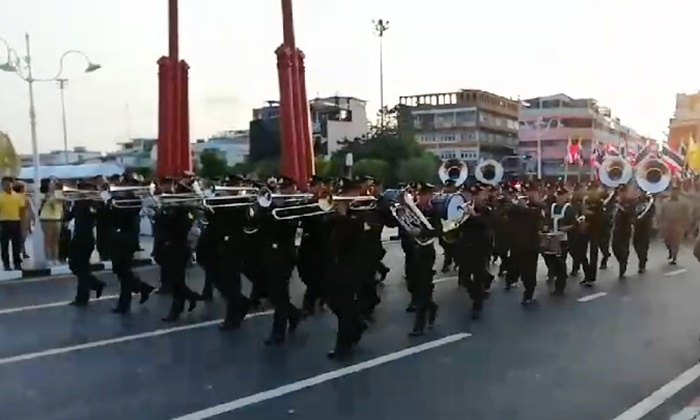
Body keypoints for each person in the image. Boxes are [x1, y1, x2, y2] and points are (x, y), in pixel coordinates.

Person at [38, 178, 65, 265]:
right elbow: (41, 203)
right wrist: (48, 196)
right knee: (48, 240)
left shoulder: (59, 194)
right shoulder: (43, 195)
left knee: (56, 241)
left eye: (54, 183)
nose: (53, 185)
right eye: (51, 183)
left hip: (57, 219)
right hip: (46, 219)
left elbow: (63, 203)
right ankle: (48, 259)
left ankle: (55, 258)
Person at [0, 176, 25, 270]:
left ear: (12, 184)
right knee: (4, 245)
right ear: (2, 185)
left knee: (16, 244)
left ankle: (17, 263)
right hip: (4, 222)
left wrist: (23, 223)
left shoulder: (18, 196)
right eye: (5, 184)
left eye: (9, 183)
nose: (7, 185)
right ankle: (6, 264)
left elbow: (22, 211)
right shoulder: (0, 197)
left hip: (16, 221)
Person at [13, 182, 33, 259]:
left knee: (18, 238)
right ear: (21, 189)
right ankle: (22, 252)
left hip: (15, 219)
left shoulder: (13, 197)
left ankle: (21, 252)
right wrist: (32, 220)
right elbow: (30, 211)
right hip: (24, 220)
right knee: (22, 238)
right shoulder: (25, 199)